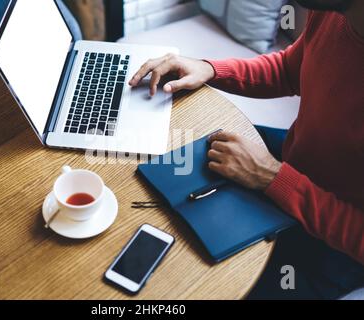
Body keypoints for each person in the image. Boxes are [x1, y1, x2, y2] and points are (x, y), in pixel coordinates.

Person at [129, 0, 364, 299]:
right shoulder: (332, 10)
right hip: (291, 161)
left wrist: (273, 177)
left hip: (330, 247)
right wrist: (210, 69)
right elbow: (291, 69)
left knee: (206, 287)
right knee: (163, 165)